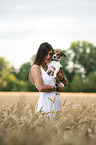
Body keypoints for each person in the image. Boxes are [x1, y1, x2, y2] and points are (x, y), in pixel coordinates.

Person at [28, 42, 68, 117]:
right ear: (41, 54)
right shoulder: (36, 67)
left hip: (57, 104)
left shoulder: (52, 66)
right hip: (45, 105)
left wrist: (61, 77)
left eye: (50, 54)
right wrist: (56, 87)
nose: (48, 57)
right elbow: (41, 87)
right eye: (46, 54)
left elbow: (65, 84)